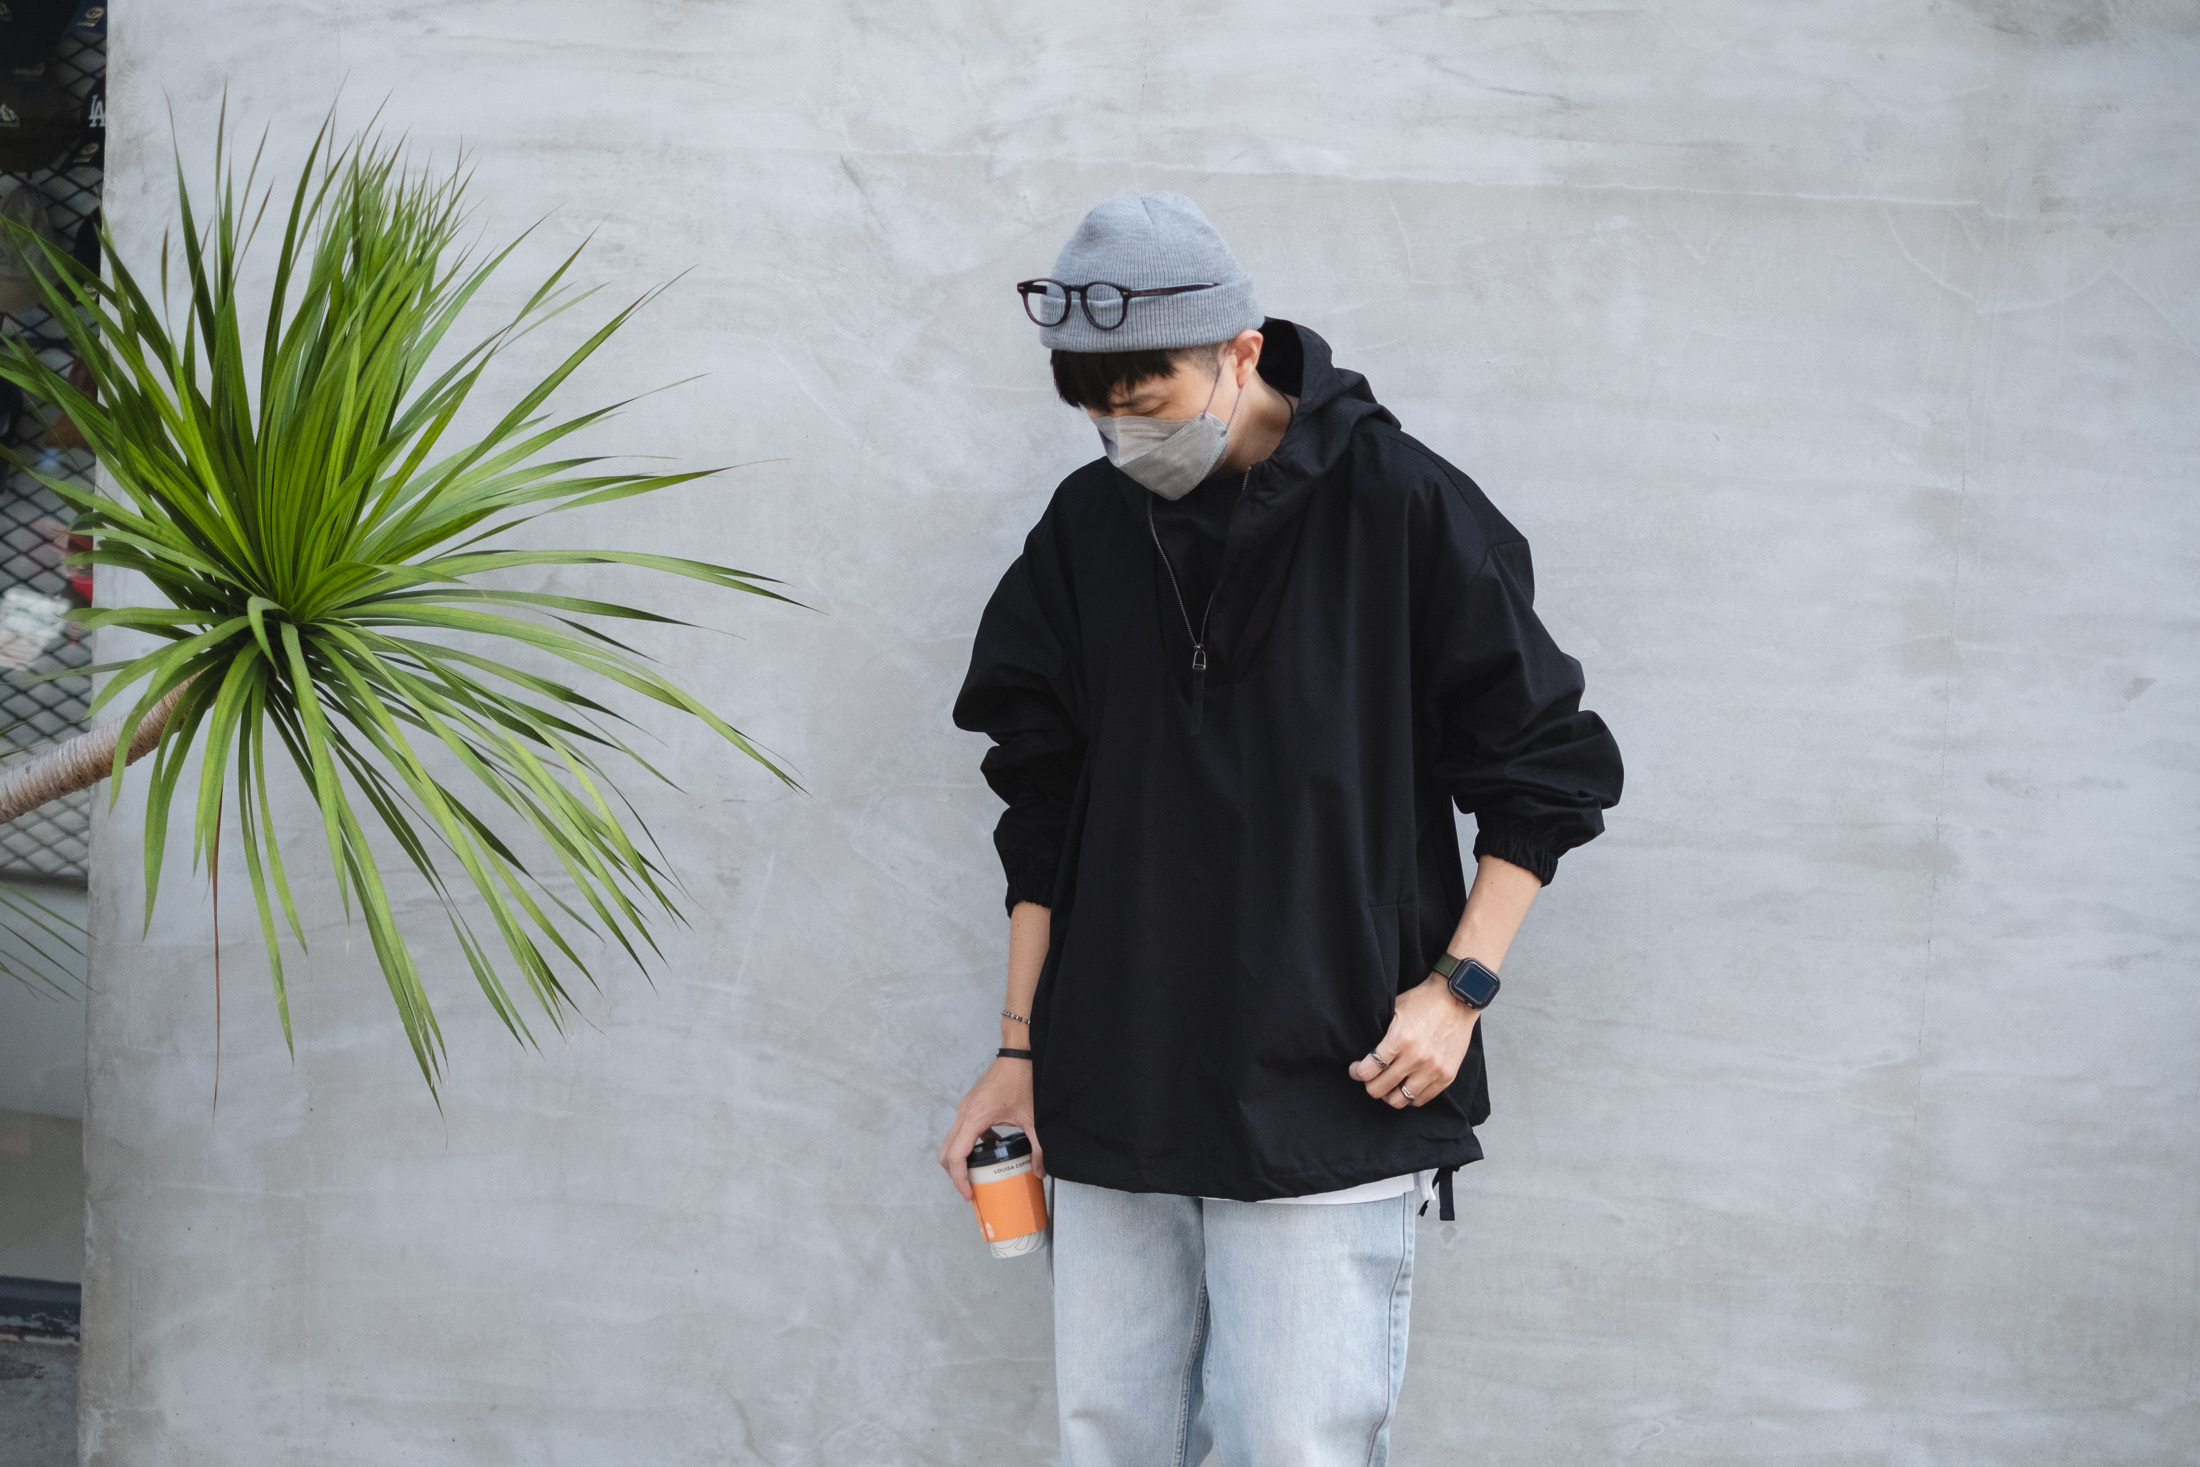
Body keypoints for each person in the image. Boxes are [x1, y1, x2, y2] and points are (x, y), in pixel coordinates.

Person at [939, 192, 1624, 1466]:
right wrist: (1019, 1049)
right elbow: (1041, 803)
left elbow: (1544, 768)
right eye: (1096, 413)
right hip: (1116, 1075)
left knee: (1289, 1442)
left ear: (1239, 349)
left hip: (1332, 1079)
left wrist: (1457, 991)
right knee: (1111, 1438)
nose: (1124, 435)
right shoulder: (1088, 528)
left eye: (1146, 402)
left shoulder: (1401, 508)